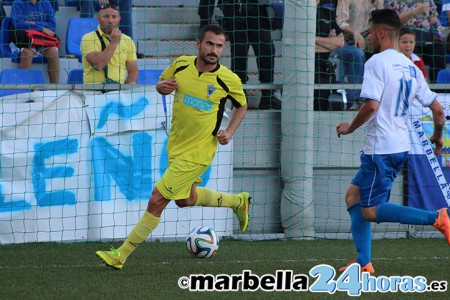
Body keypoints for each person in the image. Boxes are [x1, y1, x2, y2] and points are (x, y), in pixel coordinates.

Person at [96, 25, 251, 270]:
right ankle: (237, 201)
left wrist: (229, 131)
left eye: (219, 46)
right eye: (210, 44)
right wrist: (160, 87)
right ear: (198, 44)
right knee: (185, 199)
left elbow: (242, 105)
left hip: (198, 153)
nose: (214, 50)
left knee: (157, 200)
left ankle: (120, 255)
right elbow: (162, 82)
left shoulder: (227, 79)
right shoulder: (180, 64)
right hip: (176, 146)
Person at [336, 9, 449, 274]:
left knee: (371, 211)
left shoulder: (376, 62)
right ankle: (364, 262)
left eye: (371, 31)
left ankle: (437, 218)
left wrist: (350, 127)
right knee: (353, 196)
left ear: (380, 32)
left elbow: (371, 105)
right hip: (399, 146)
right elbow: (439, 110)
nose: (370, 37)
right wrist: (437, 136)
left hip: (381, 150)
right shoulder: (410, 66)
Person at [221, 0, 281, 110]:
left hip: (259, 7)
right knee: (239, 52)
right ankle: (240, 97)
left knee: (267, 50)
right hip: (235, 7)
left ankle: (267, 96)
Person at [335, 0, 384, 110]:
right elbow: (340, 22)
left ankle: (380, 99)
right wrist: (355, 33)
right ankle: (357, 99)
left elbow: (382, 20)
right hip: (346, 41)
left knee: (384, 53)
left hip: (369, 38)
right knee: (357, 53)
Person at [385, 0, 446, 83]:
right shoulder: (394, 1)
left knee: (439, 50)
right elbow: (392, 22)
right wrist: (415, 11)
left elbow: (434, 20)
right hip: (405, 35)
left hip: (426, 36)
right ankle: (415, 85)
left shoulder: (428, 1)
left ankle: (437, 88)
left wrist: (438, 32)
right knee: (412, 49)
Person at [80, 2, 138, 84]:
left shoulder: (127, 40)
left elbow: (133, 72)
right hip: (94, 91)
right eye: (106, 16)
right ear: (98, 19)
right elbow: (98, 65)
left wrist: (126, 91)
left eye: (114, 17)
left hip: (119, 92)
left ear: (119, 19)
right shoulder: (88, 38)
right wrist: (114, 43)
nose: (110, 21)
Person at [10, 0, 60, 83]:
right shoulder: (18, 3)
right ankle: (26, 90)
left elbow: (52, 25)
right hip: (26, 40)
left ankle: (55, 88)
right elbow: (17, 24)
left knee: (53, 52)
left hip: (43, 40)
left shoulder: (46, 3)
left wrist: (32, 23)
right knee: (26, 52)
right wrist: (42, 28)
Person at [314, 0, 344, 111]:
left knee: (321, 110)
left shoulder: (326, 13)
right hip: (302, 68)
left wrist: (314, 39)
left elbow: (340, 42)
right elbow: (300, 45)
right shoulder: (297, 14)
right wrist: (329, 43)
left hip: (323, 71)